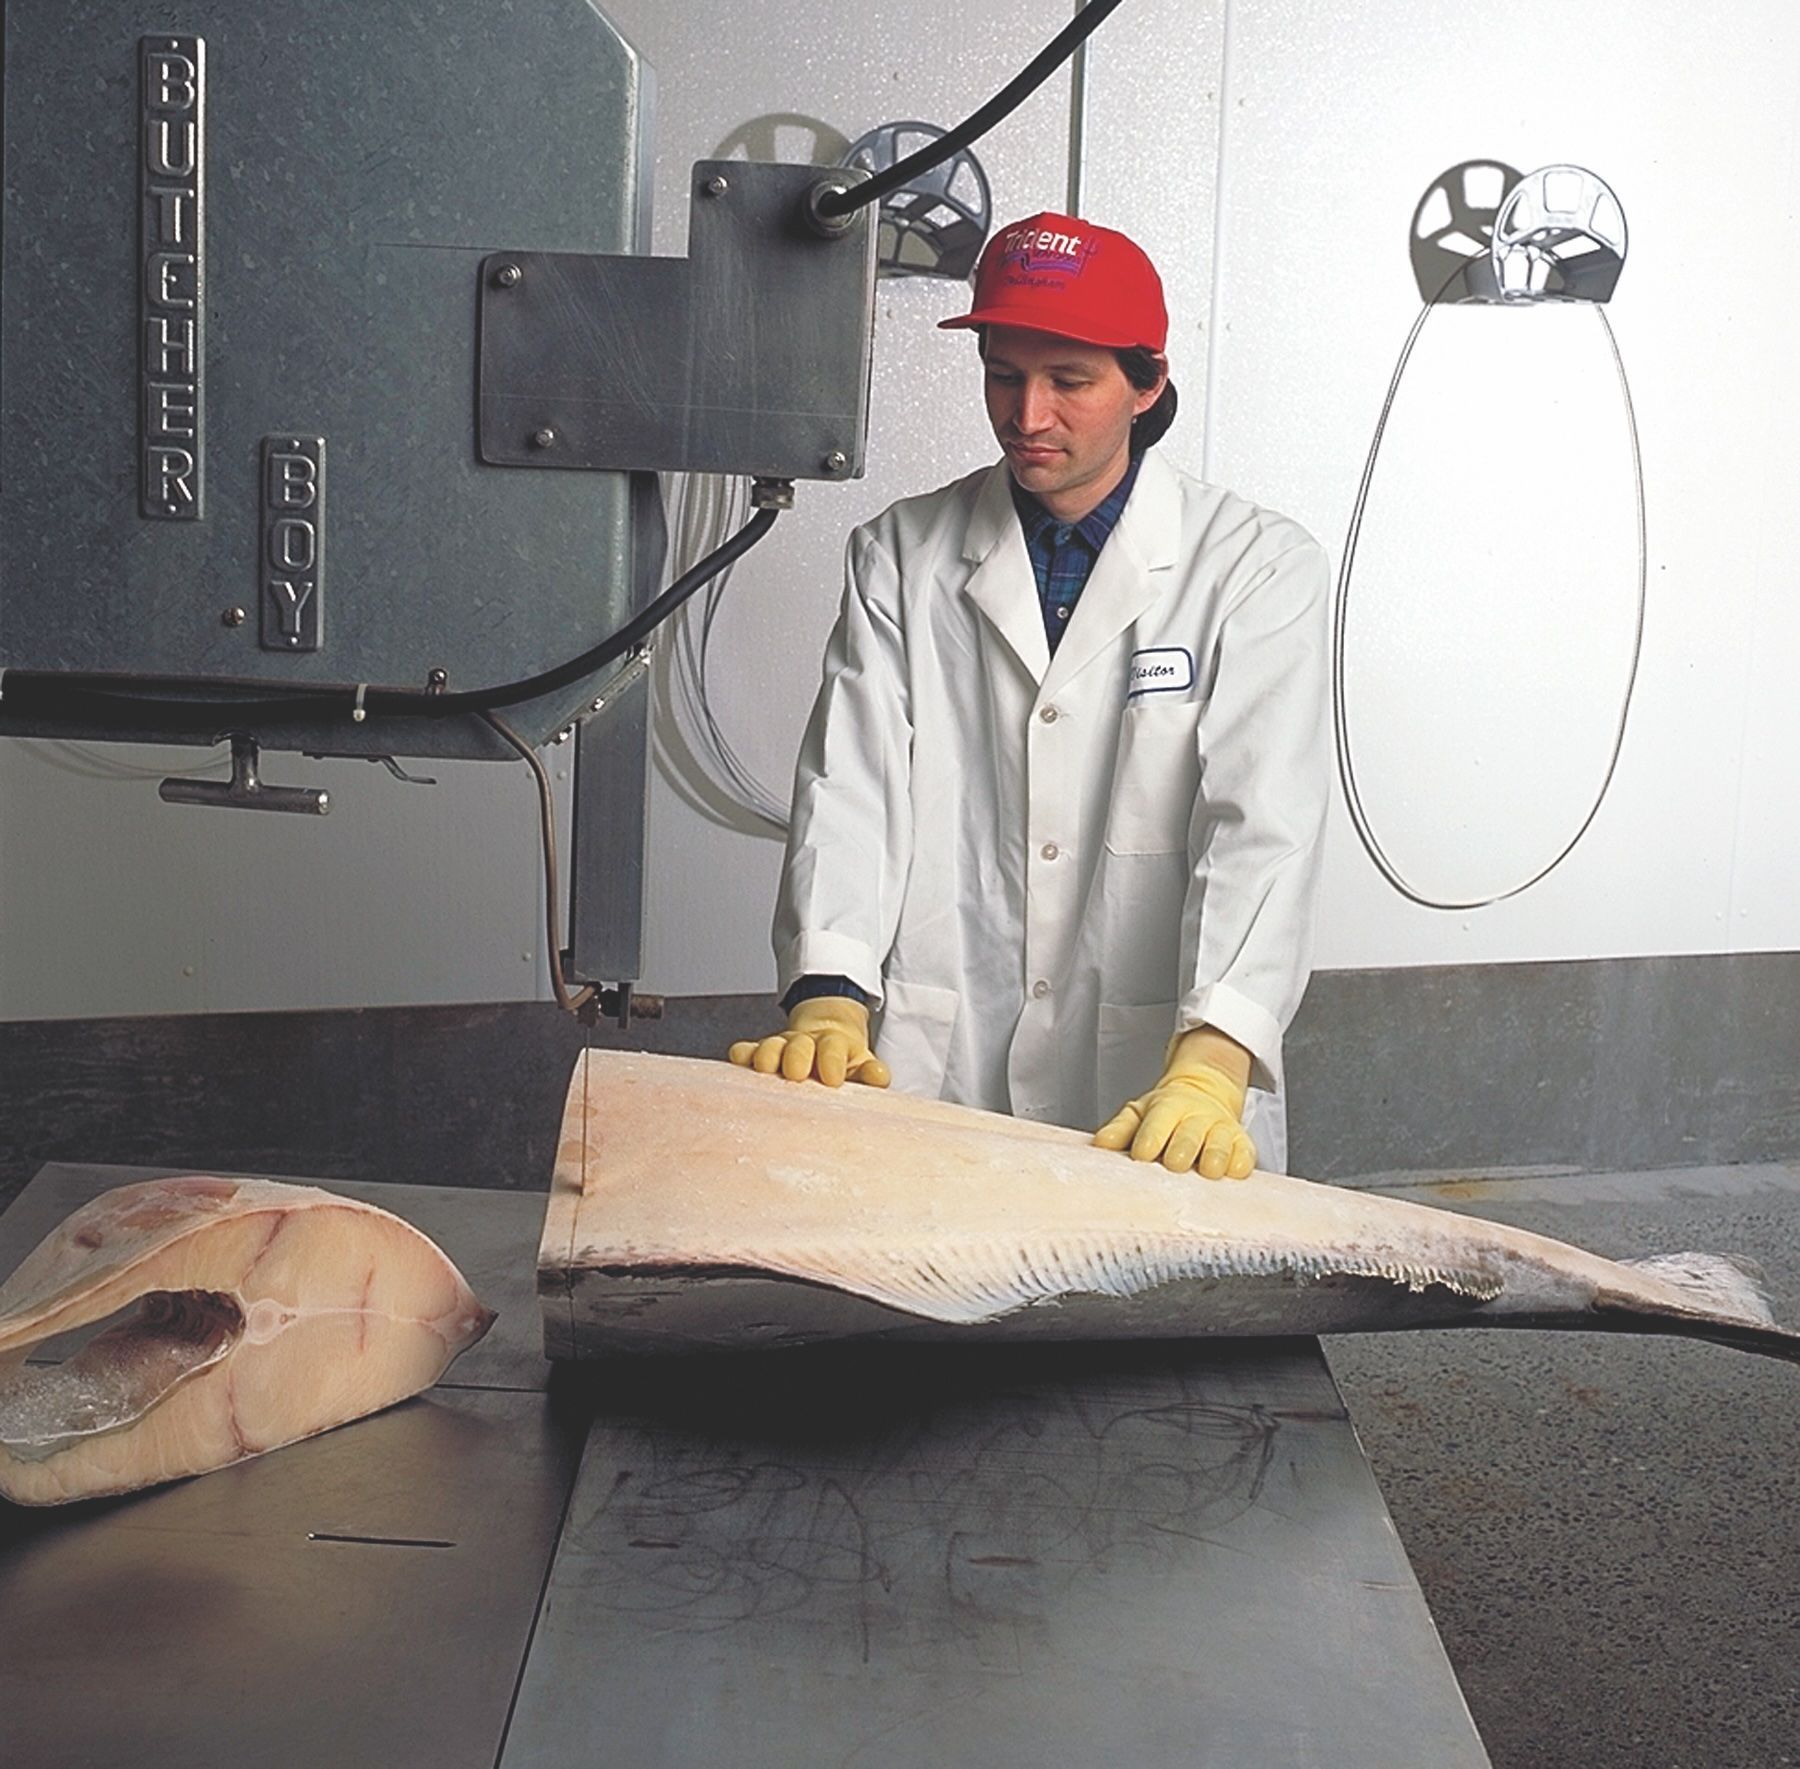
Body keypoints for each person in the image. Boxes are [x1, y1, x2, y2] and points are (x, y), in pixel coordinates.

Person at [728, 211, 1329, 1179]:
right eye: (1003, 374)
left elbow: (1263, 826)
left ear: (1147, 383)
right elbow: (852, 784)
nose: (1027, 414)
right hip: (940, 1069)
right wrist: (831, 994)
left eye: (1070, 380)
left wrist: (1213, 1067)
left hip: (1160, 1089)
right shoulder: (899, 555)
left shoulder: (1254, 569)